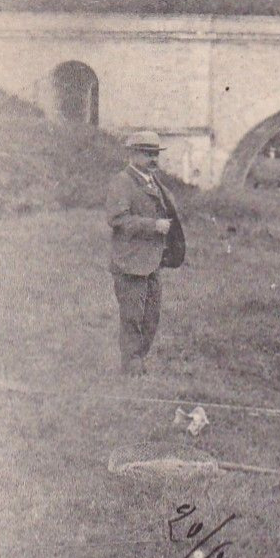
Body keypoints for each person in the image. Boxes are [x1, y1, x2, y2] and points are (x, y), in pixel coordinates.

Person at [104, 130, 184, 375]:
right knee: (132, 316)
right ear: (133, 154)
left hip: (153, 261)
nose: (154, 159)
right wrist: (153, 225)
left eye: (156, 154)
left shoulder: (153, 182)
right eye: (148, 154)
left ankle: (138, 362)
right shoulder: (122, 182)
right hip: (130, 261)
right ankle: (132, 367)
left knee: (151, 317)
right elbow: (116, 218)